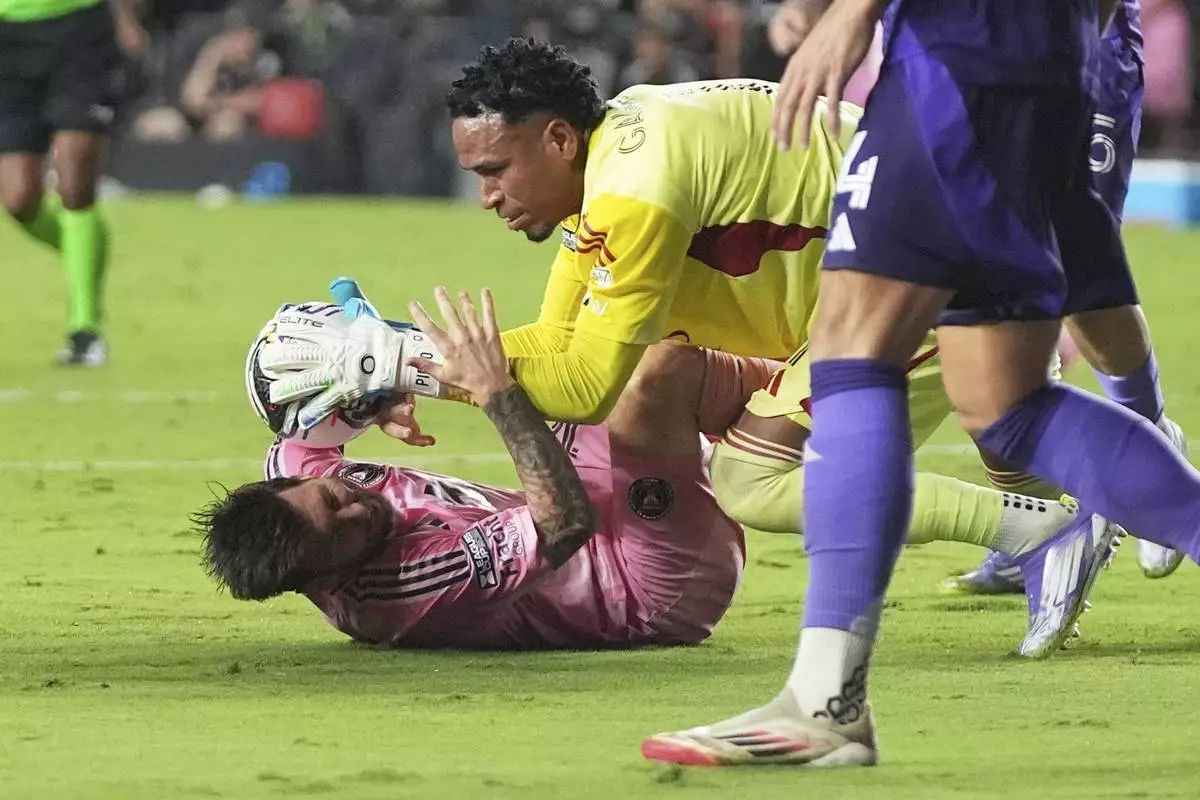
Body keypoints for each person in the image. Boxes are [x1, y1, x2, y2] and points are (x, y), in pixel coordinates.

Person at [641, 0, 1200, 768]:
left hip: (960, 58)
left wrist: (851, 12)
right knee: (1005, 403)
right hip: (1047, 61)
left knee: (854, 349)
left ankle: (825, 702)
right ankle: (826, 700)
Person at [198, 295, 769, 650]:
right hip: (646, 588)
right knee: (655, 375)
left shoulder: (292, 474)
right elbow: (563, 523)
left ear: (293, 483)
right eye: (340, 534)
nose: (356, 510)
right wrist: (492, 391)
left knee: (597, 337)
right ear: (320, 578)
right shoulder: (398, 591)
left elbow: (297, 411)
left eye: (332, 497)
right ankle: (810, 398)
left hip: (593, 510)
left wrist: (376, 400)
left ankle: (785, 391)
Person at [946, 0, 1188, 593]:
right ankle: (1034, 530)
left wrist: (1069, 55)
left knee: (1076, 268)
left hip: (1079, 45)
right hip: (964, 51)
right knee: (982, 290)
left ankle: (1150, 446)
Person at [0, 0, 142, 364]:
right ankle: (86, 253)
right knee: (18, 198)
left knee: (75, 175)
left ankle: (85, 330)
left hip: (79, 30)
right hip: (9, 38)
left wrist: (126, 17)